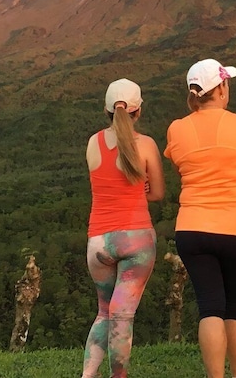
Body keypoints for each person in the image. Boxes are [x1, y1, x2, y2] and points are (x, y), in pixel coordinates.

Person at [164, 58, 236, 378]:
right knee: (235, 309)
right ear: (221, 89)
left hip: (192, 227)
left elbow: (181, 168)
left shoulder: (177, 128)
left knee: (210, 307)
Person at [83, 78, 165, 378]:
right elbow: (157, 192)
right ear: (138, 111)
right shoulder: (146, 145)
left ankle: (88, 375)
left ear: (106, 110)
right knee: (123, 317)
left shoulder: (93, 143)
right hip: (136, 240)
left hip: (99, 243)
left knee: (105, 312)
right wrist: (140, 187)